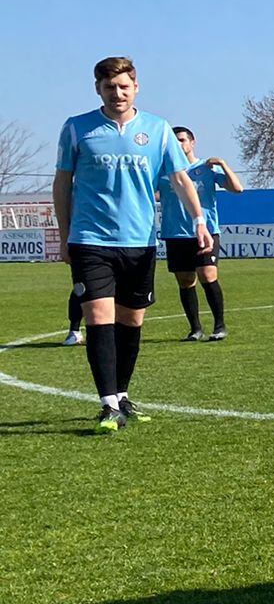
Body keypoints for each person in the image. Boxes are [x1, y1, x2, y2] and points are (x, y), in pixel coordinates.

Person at [52, 56, 212, 433]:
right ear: (98, 89)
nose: (117, 93)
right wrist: (64, 234)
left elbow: (181, 179)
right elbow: (62, 184)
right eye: (109, 87)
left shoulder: (157, 130)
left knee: (132, 320)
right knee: (98, 318)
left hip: (140, 241)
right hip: (91, 239)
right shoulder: (77, 129)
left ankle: (121, 394)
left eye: (124, 86)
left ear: (136, 87)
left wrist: (199, 220)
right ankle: (108, 403)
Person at [164, 126, 243, 341]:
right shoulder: (165, 172)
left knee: (207, 275)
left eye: (182, 140)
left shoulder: (206, 168)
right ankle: (195, 328)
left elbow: (237, 189)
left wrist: (224, 165)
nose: (179, 144)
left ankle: (219, 325)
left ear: (192, 142)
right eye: (175, 141)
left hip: (205, 232)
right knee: (186, 281)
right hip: (175, 233)